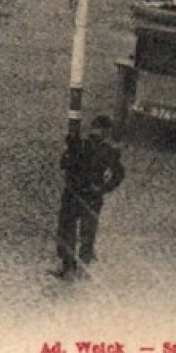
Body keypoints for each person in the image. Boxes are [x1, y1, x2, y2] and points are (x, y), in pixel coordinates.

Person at [53, 115, 125, 279]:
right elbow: (118, 175)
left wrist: (70, 150)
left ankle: (70, 266)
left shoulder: (82, 145)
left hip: (76, 194)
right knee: (84, 231)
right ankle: (79, 267)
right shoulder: (106, 151)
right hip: (88, 196)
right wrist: (103, 188)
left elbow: (63, 165)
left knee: (70, 229)